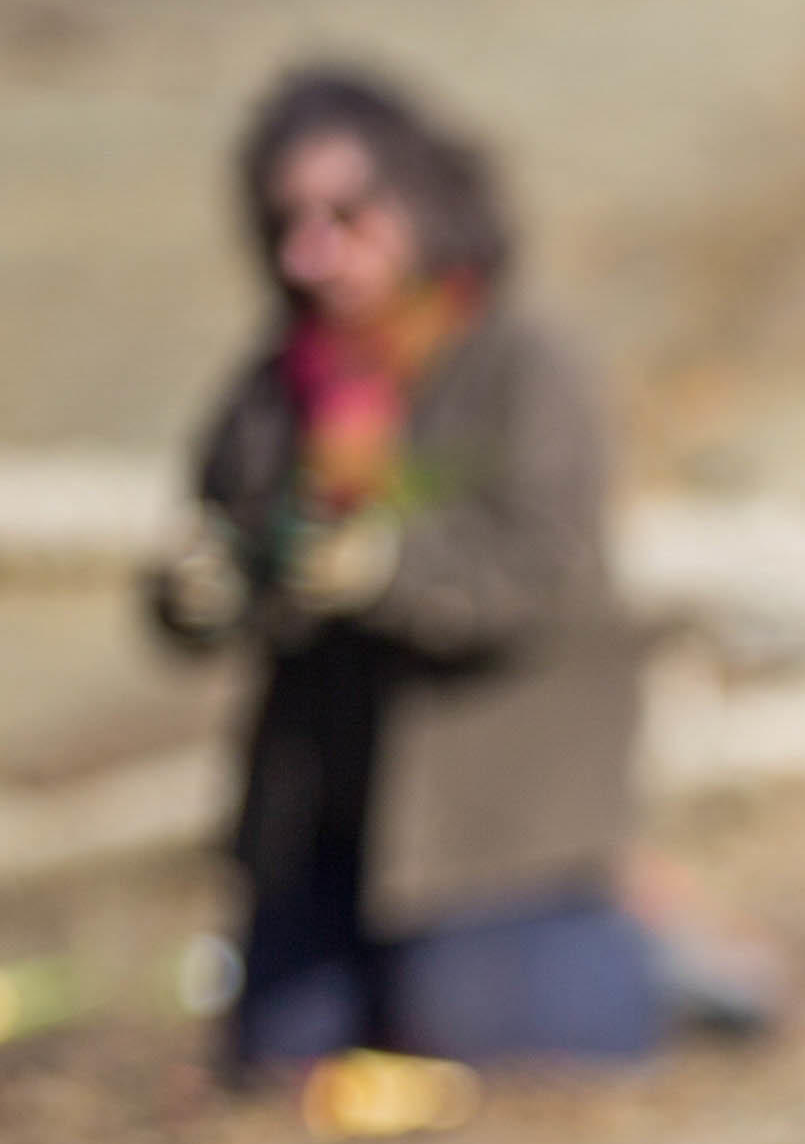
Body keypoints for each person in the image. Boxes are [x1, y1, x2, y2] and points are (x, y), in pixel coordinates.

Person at [142, 65, 663, 1082]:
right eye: (288, 221)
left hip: (498, 820)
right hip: (322, 823)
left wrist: (388, 567)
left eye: (348, 214)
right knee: (282, 1071)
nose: (314, 251)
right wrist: (198, 593)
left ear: (422, 201)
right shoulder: (275, 389)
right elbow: (210, 546)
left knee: (511, 1055)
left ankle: (683, 971)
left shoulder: (515, 361)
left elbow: (542, 571)